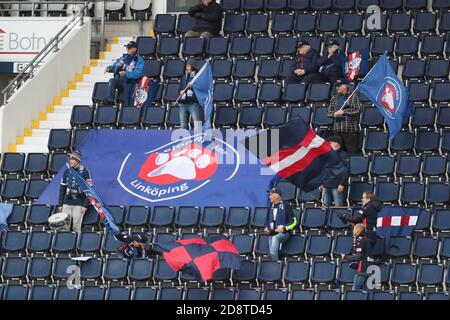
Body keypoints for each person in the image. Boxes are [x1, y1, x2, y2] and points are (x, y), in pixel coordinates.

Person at [58, 151, 92, 234]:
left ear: (77, 160)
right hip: (67, 203)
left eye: (72, 159)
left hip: (79, 204)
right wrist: (60, 204)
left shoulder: (85, 172)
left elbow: (90, 190)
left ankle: (76, 246)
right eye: (70, 159)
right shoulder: (67, 171)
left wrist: (85, 205)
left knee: (76, 227)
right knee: (64, 226)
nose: (70, 161)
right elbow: (62, 189)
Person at [104, 40, 144, 107]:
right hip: (121, 80)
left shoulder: (139, 60)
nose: (127, 49)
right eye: (127, 47)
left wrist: (126, 74)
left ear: (134, 49)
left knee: (125, 102)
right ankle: (110, 100)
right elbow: (115, 66)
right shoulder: (123, 58)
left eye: (129, 48)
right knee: (112, 81)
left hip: (130, 82)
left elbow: (137, 74)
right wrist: (109, 68)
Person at [328, 79, 362, 155]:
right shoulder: (334, 98)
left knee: (351, 152)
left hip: (349, 130)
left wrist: (344, 112)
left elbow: (357, 110)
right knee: (338, 154)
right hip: (337, 130)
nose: (337, 88)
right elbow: (329, 112)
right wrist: (334, 114)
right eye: (336, 86)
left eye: (339, 86)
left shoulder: (353, 97)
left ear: (345, 86)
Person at [264, 188, 297, 260]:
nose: (269, 197)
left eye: (271, 195)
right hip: (272, 232)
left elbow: (294, 221)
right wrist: (266, 228)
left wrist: (284, 228)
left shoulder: (286, 205)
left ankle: (273, 258)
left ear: (277, 196)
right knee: (272, 237)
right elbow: (267, 220)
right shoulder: (270, 206)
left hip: (284, 233)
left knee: (275, 238)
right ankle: (273, 260)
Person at [342, 223, 373, 294]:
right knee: (367, 292)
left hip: (363, 270)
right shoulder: (365, 240)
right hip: (369, 269)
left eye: (355, 229)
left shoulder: (360, 241)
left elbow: (358, 256)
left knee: (355, 291)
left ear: (357, 231)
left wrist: (346, 257)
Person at [320, 135, 350, 207]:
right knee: (326, 206)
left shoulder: (343, 155)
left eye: (330, 143)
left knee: (338, 206)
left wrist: (342, 183)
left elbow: (346, 171)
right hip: (326, 185)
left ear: (337, 143)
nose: (329, 145)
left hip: (337, 185)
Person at [179, 59, 203, 131]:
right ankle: (186, 141)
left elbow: (202, 88)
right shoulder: (184, 75)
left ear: (193, 66)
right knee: (183, 126)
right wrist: (180, 92)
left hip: (193, 104)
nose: (187, 67)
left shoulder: (197, 76)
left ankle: (198, 140)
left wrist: (193, 86)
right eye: (187, 66)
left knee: (197, 125)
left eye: (189, 66)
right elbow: (180, 87)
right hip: (183, 104)